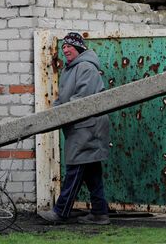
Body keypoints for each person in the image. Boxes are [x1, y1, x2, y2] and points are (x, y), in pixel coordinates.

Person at [38, 32, 111, 225]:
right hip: (81, 124)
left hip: (88, 124)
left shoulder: (85, 67)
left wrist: (62, 114)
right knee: (92, 171)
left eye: (69, 46)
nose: (65, 50)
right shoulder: (71, 69)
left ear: (79, 48)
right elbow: (64, 99)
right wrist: (53, 114)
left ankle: (61, 212)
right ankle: (99, 213)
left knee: (76, 169)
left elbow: (82, 99)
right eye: (63, 47)